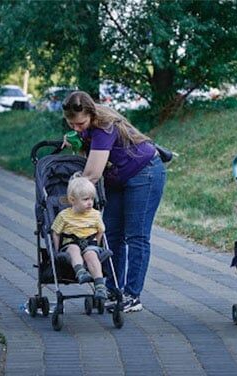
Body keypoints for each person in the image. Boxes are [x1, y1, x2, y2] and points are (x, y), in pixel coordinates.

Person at [61, 91, 166, 312]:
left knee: (136, 235)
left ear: (90, 114)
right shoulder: (88, 127)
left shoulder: (103, 126)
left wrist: (72, 199)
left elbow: (92, 175)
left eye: (80, 123)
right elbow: (86, 145)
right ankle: (113, 288)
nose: (76, 128)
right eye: (71, 124)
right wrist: (78, 138)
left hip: (144, 173)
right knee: (111, 234)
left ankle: (132, 295)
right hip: (119, 177)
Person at [51, 174, 107, 300]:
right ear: (72, 200)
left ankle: (100, 286)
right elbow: (55, 232)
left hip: (90, 243)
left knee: (91, 255)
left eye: (92, 199)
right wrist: (56, 248)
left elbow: (101, 231)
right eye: (86, 199)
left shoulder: (95, 215)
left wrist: (96, 244)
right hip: (71, 243)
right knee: (73, 249)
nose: (90, 203)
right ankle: (80, 272)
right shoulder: (64, 215)